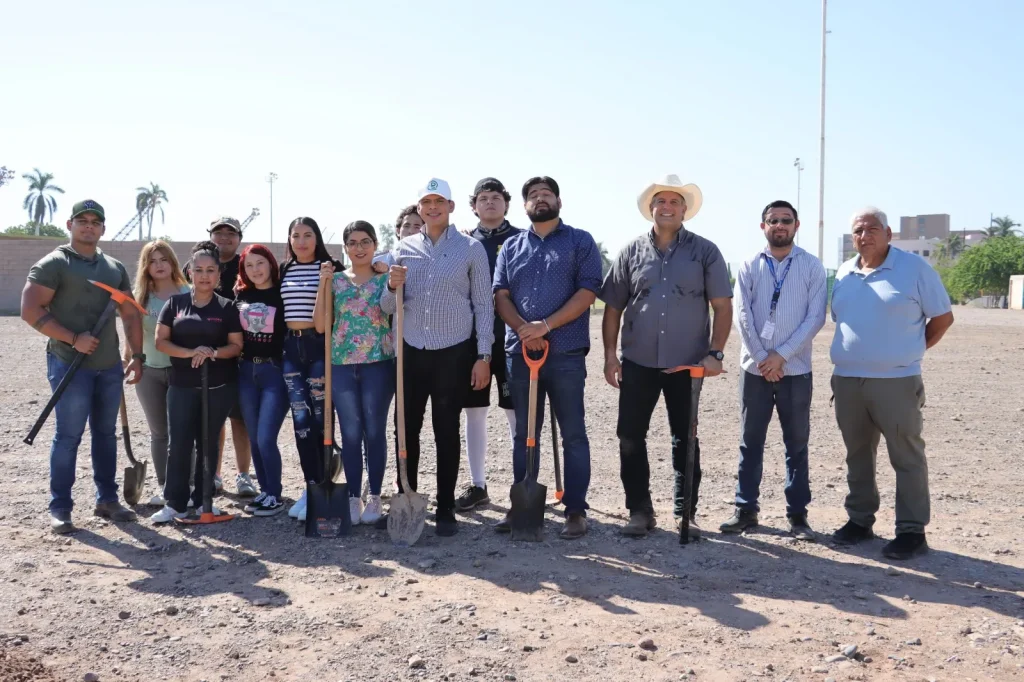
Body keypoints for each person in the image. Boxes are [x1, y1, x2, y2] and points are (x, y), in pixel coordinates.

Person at [599, 175, 733, 539]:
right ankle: (640, 512)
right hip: (638, 362)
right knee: (629, 436)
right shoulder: (630, 252)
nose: (668, 207)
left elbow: (722, 306)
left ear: (685, 209)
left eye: (675, 202)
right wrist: (611, 357)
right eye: (661, 202)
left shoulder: (705, 252)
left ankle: (684, 511)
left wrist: (715, 353)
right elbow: (612, 309)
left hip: (686, 365)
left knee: (685, 438)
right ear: (651, 209)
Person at [829, 207, 954, 560]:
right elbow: (842, 320)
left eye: (872, 229)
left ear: (889, 233)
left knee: (907, 456)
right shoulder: (844, 272)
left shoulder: (914, 269)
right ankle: (859, 520)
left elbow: (943, 317)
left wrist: (910, 350)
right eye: (857, 230)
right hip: (849, 381)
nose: (864, 235)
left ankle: (912, 531)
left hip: (896, 381)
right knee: (857, 455)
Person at [21, 200, 144, 534]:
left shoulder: (114, 268)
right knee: (69, 436)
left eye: (95, 222)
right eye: (82, 220)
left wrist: (138, 354)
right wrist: (72, 338)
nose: (89, 226)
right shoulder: (54, 264)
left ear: (103, 228)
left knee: (105, 434)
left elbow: (130, 314)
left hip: (108, 367)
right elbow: (30, 310)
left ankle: (107, 499)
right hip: (69, 364)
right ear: (70, 224)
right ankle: (60, 507)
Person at [380, 178, 494, 537]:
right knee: (406, 429)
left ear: (451, 207)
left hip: (453, 350)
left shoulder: (471, 249)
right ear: (418, 209)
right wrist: (391, 286)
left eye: (439, 202)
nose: (432, 208)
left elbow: (483, 305)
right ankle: (407, 495)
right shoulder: (403, 249)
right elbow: (386, 307)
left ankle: (446, 506)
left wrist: (484, 355)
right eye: (426, 202)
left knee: (446, 429)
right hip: (412, 351)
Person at [494, 176, 603, 539]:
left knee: (573, 433)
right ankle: (521, 506)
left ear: (559, 201)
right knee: (525, 433)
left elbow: (588, 291)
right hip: (521, 354)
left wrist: (546, 325)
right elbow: (501, 295)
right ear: (524, 205)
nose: (540, 199)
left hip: (566, 352)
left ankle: (575, 511)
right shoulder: (511, 246)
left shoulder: (580, 241)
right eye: (533, 195)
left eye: (547, 194)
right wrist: (525, 329)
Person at [720, 200, 826, 539]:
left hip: (795, 370)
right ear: (762, 226)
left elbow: (815, 318)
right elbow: (742, 315)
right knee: (750, 442)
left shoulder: (812, 266)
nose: (779, 225)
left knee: (796, 444)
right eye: (773, 220)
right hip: (755, 370)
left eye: (786, 220)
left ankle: (798, 516)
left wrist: (780, 356)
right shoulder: (750, 265)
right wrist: (763, 358)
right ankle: (745, 509)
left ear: (797, 225)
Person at [150, 241, 243, 523]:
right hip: (181, 385)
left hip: (217, 386)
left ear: (218, 274)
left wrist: (213, 353)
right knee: (178, 443)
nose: (204, 275)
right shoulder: (175, 304)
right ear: (190, 271)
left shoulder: (227, 307)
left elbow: (236, 346)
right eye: (199, 270)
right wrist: (192, 352)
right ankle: (175, 503)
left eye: (211, 270)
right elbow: (161, 342)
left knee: (208, 442)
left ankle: (205, 501)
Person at [315, 221, 396, 525]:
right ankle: (352, 497)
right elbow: (322, 326)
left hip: (378, 363)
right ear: (345, 248)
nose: (359, 248)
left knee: (374, 430)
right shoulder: (334, 281)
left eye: (365, 242)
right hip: (342, 365)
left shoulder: (385, 279)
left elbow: (393, 310)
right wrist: (323, 285)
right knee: (350, 433)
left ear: (375, 245)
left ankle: (374, 495)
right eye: (353, 243)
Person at [456, 178, 523, 511]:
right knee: (475, 411)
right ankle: (478, 485)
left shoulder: (524, 240)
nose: (490, 203)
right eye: (484, 198)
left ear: (507, 204)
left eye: (497, 198)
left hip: (513, 338)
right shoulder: (463, 243)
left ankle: (522, 484)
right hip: (475, 340)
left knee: (515, 413)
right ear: (474, 206)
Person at [279, 217, 346, 522]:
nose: (302, 241)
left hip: (319, 347)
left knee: (322, 420)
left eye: (308, 235)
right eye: (296, 236)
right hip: (291, 350)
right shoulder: (285, 270)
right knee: (301, 422)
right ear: (290, 240)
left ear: (317, 238)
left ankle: (325, 484)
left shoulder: (331, 268)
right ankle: (310, 486)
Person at [184, 216, 255, 497]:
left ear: (239, 237)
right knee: (214, 420)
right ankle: (213, 473)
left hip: (239, 353)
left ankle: (244, 475)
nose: (224, 238)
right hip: (206, 356)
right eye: (218, 233)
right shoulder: (197, 266)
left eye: (230, 233)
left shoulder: (246, 266)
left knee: (240, 418)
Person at [125, 240, 191, 506]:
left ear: (172, 262)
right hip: (150, 371)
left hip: (182, 372)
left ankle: (188, 486)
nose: (159, 265)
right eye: (153, 261)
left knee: (184, 431)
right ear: (145, 266)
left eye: (164, 259)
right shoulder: (140, 296)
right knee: (159, 432)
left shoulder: (188, 292)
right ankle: (165, 486)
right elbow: (132, 331)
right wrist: (128, 359)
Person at [234, 245, 288, 516]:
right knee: (254, 437)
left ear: (270, 264)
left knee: (266, 437)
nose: (255, 270)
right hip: (245, 372)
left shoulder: (282, 293)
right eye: (249, 265)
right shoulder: (240, 296)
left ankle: (275, 494)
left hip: (274, 372)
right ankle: (265, 491)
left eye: (260, 263)